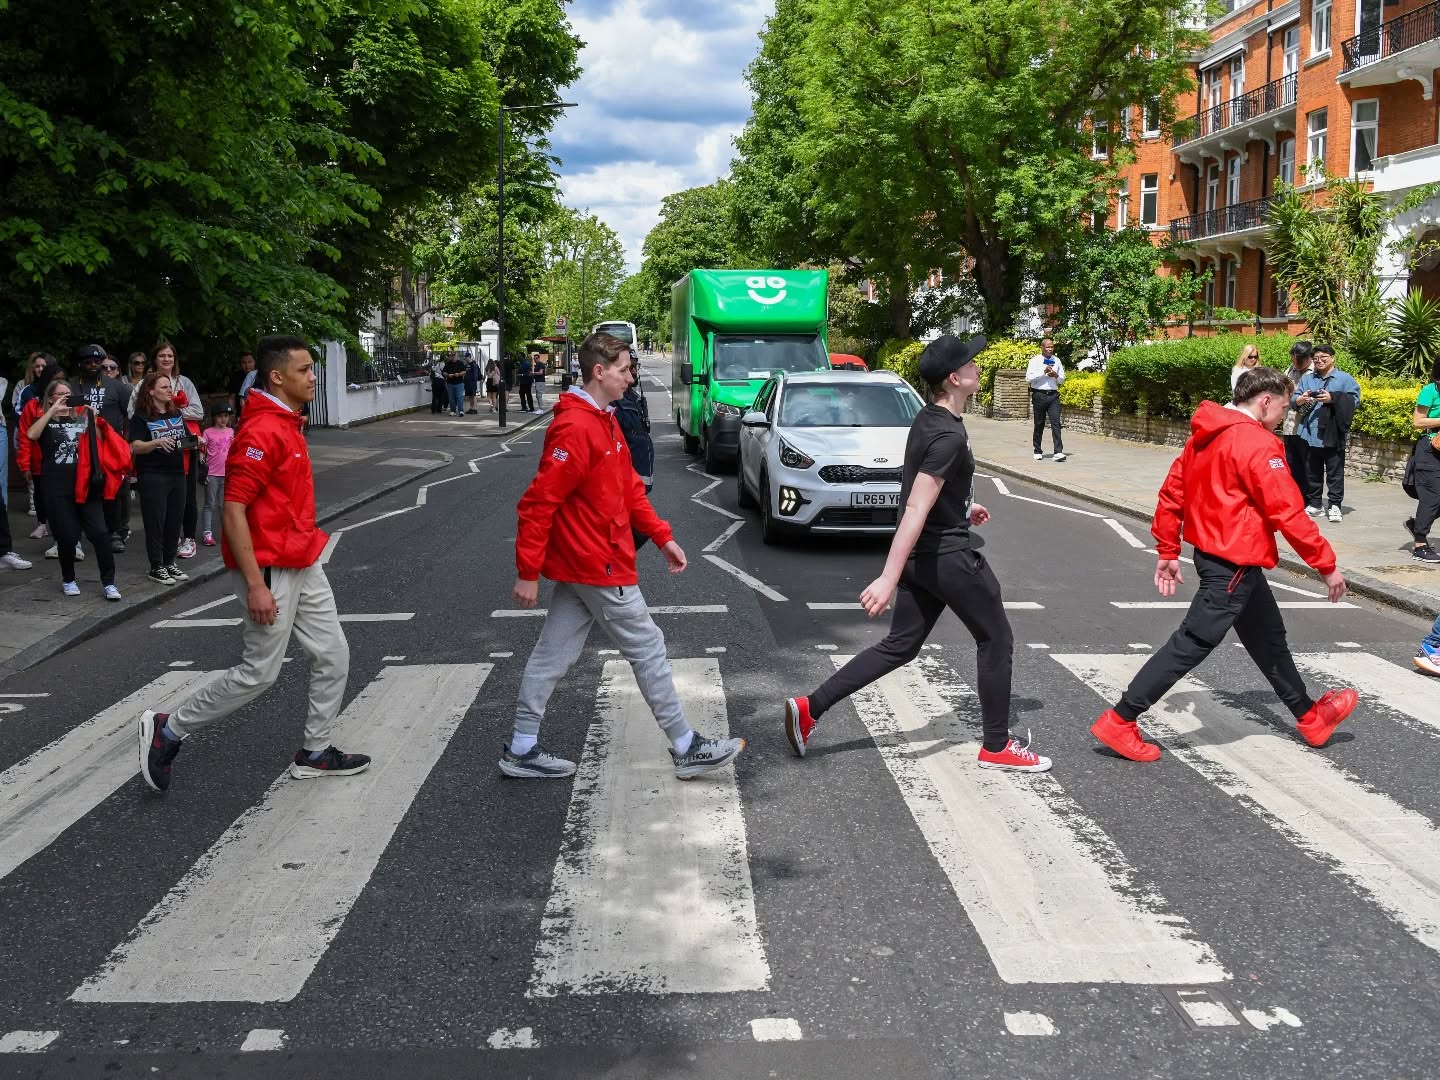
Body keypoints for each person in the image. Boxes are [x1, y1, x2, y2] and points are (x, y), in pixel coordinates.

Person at [783, 335, 1051, 772]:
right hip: (948, 557)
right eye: (971, 363)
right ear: (954, 378)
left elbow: (928, 486)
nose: (978, 367)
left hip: (924, 559)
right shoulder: (947, 435)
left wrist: (964, 506)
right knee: (996, 638)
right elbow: (915, 506)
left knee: (900, 645)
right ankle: (997, 746)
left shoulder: (928, 419)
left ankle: (810, 707)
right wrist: (887, 577)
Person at [502, 332, 744, 781]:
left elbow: (630, 491)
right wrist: (527, 572)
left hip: (590, 563)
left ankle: (520, 747)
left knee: (551, 656)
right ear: (600, 371)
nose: (632, 376)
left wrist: (662, 535)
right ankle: (687, 745)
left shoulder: (604, 420)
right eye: (625, 369)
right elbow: (538, 504)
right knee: (648, 648)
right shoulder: (575, 427)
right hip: (597, 562)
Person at [1089, 367, 1358, 762]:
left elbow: (1171, 493)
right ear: (1265, 401)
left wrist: (1167, 550)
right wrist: (1326, 565)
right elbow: (1288, 511)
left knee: (1268, 639)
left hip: (1222, 558)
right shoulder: (1258, 443)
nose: (1285, 416)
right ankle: (1121, 719)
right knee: (1193, 641)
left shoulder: (1204, 434)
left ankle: (1309, 716)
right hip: (1234, 562)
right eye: (1283, 407)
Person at [138, 335, 369, 793]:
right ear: (277, 377)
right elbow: (232, 510)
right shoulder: (263, 431)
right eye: (304, 370)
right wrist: (255, 585)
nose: (313, 377)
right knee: (259, 673)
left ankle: (315, 751)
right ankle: (167, 728)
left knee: (333, 653)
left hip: (302, 557)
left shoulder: (287, 423)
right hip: (268, 566)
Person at [25, 378, 130, 600]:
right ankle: (68, 579)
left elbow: (103, 441)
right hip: (56, 488)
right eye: (59, 394)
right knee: (66, 537)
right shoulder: (45, 421)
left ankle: (109, 582)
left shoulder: (82, 419)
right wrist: (53, 410)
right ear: (50, 398)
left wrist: (94, 418)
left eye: (68, 394)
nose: (65, 398)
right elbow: (31, 435)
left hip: (85, 486)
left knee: (100, 534)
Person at [71, 344, 133, 553]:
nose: (93, 365)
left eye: (97, 361)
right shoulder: (71, 385)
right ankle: (77, 533)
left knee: (113, 491)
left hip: (110, 447)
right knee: (80, 489)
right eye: (88, 361)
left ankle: (115, 531)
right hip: (79, 446)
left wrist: (126, 444)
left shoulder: (118, 387)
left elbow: (130, 417)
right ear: (80, 363)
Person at [128, 373, 190, 584]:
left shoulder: (176, 413)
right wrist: (156, 443)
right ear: (151, 391)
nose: (169, 390)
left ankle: (170, 562)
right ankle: (156, 566)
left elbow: (184, 440)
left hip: (177, 473)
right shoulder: (141, 416)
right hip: (153, 474)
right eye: (163, 387)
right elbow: (134, 446)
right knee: (156, 521)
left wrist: (195, 441)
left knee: (174, 520)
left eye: (169, 386)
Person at [1293, 343, 1360, 523]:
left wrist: (1333, 399)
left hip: (1332, 432)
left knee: (1334, 471)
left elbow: (1354, 400)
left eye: (1324, 358)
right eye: (1316, 359)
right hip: (1309, 431)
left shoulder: (1344, 379)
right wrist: (1300, 399)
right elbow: (1294, 398)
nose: (1319, 361)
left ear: (1333, 358)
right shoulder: (1308, 379)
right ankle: (1315, 504)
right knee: (1312, 471)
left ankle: (1335, 505)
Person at [149, 341, 204, 557]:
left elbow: (198, 411)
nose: (166, 359)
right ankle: (170, 536)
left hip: (184, 447)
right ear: (155, 359)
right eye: (162, 355)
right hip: (157, 446)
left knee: (187, 494)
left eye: (170, 356)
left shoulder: (184, 382)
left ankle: (189, 537)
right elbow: (136, 410)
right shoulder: (146, 382)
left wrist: (169, 408)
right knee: (162, 496)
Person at [613, 349, 654, 551]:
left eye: (634, 367)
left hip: (637, 483)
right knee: (637, 532)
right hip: (624, 486)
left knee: (641, 530)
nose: (632, 374)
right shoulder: (613, 402)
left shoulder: (633, 397)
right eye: (626, 369)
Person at [1403, 356, 1440, 565]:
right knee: (1432, 496)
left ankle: (1417, 524)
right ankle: (1420, 545)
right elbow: (1418, 421)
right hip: (1431, 448)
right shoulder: (1430, 390)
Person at [1026, 336, 1066, 462]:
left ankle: (1058, 452)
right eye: (1047, 347)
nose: (1050, 349)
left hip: (1053, 395)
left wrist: (1056, 375)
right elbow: (1028, 379)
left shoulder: (1057, 360)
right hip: (1039, 395)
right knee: (1039, 423)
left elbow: (1062, 379)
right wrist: (1043, 373)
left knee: (1056, 423)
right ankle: (1037, 450)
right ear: (1042, 348)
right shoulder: (1034, 361)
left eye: (1052, 347)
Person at [201, 404, 236, 546]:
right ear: (215, 417)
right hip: (212, 473)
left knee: (223, 505)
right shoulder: (208, 432)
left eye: (226, 416)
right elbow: (202, 451)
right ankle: (207, 532)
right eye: (220, 416)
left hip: (226, 473)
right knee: (209, 503)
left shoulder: (231, 431)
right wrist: (203, 468)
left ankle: (226, 532)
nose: (223, 419)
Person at [1281, 340, 1313, 492]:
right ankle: (1294, 495)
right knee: (1291, 463)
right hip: (1289, 424)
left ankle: (1309, 498)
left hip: (1305, 427)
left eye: (1299, 361)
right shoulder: (1289, 371)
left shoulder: (1315, 373)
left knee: (1307, 464)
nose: (1296, 364)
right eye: (1293, 360)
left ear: (1308, 358)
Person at [229, 351, 256, 420]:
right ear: (240, 364)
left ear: (254, 362)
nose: (247, 365)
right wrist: (230, 414)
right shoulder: (236, 377)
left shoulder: (260, 376)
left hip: (257, 413)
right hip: (241, 414)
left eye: (249, 362)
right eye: (244, 363)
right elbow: (232, 398)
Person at [442, 352, 467, 416]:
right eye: (451, 356)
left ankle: (461, 411)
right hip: (450, 383)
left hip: (459, 383)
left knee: (459, 397)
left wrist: (458, 374)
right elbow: (444, 372)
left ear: (457, 356)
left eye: (454, 356)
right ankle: (453, 411)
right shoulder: (447, 364)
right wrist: (448, 375)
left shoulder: (460, 363)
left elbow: (464, 371)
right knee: (451, 398)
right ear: (450, 357)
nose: (453, 357)